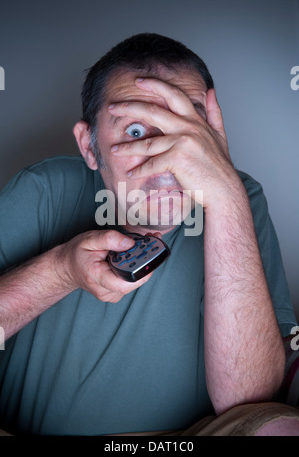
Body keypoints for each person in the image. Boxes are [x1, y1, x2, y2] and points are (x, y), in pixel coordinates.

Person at [0, 33, 298, 436]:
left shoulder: (242, 196)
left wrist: (227, 195)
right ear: (89, 147)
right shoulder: (44, 189)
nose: (167, 160)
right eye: (136, 132)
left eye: (188, 127)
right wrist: (60, 271)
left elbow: (248, 404)